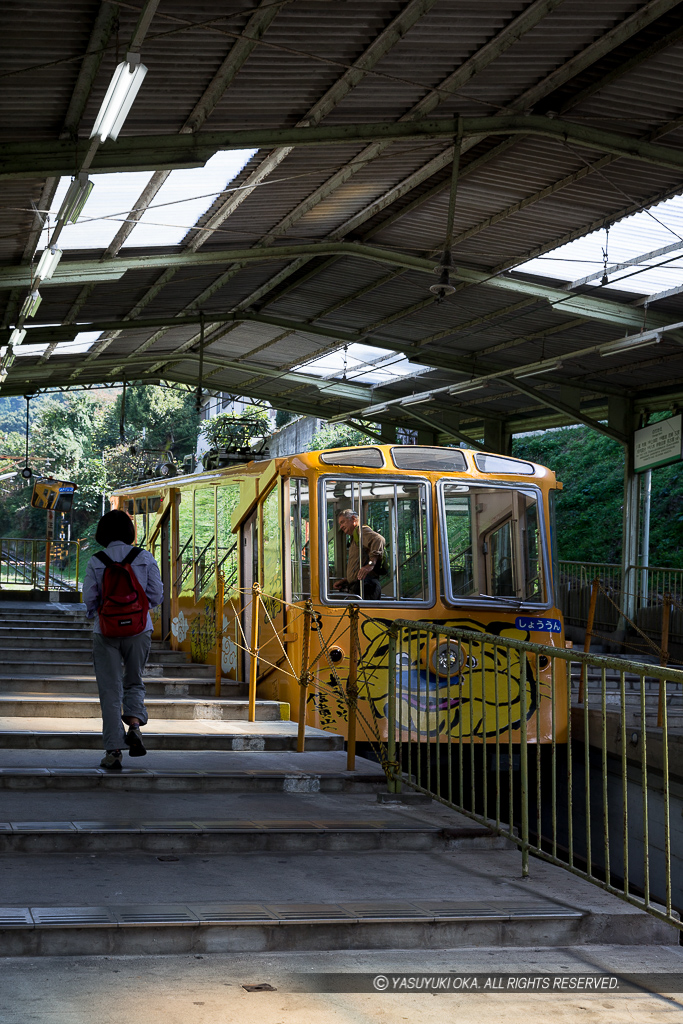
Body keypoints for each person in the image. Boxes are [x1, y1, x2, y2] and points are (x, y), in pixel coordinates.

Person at [83, 509, 163, 771]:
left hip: (105, 630)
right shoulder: (145, 557)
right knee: (134, 679)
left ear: (102, 532)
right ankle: (136, 726)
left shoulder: (97, 560)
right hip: (140, 629)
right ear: (129, 531)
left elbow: (89, 599)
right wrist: (137, 610)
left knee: (109, 690)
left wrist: (99, 613)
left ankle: (114, 751)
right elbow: (156, 595)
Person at [333, 509, 385, 600]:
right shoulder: (355, 537)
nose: (341, 527)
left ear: (353, 519)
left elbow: (379, 539)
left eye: (342, 522)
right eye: (340, 524)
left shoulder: (361, 531)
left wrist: (370, 565)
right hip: (359, 586)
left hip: (367, 586)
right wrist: (347, 580)